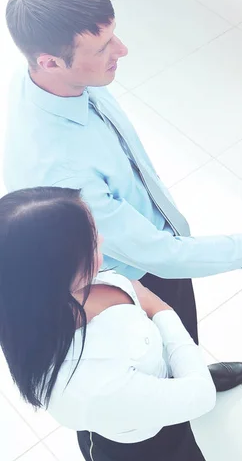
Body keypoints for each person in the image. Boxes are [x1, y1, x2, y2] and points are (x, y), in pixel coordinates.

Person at [3, 0, 242, 400]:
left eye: (114, 36)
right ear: (48, 61)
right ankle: (180, 390)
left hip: (152, 255)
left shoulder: (51, 79)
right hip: (131, 281)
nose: (122, 51)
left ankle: (191, 369)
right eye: (103, 48)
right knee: (155, 364)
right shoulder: (62, 172)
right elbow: (161, 255)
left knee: (181, 338)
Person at [0, 186, 215, 460]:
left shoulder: (38, 299)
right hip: (142, 448)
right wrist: (162, 310)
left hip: (152, 407)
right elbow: (201, 395)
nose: (101, 239)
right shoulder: (87, 387)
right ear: (56, 271)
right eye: (91, 241)